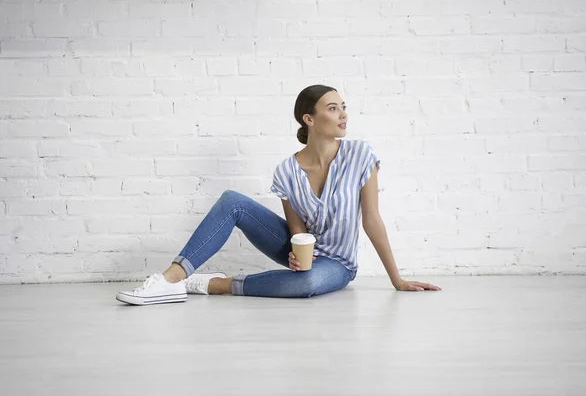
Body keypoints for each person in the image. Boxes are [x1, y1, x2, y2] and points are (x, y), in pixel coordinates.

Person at [116, 84, 441, 305]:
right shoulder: (288, 170)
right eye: (333, 108)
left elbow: (371, 220)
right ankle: (170, 279)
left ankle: (211, 284)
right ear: (309, 119)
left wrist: (396, 280)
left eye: (343, 107)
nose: (343, 114)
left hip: (337, 263)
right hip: (305, 252)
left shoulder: (361, 155)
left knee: (309, 284)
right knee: (233, 201)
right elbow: (296, 228)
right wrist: (298, 253)